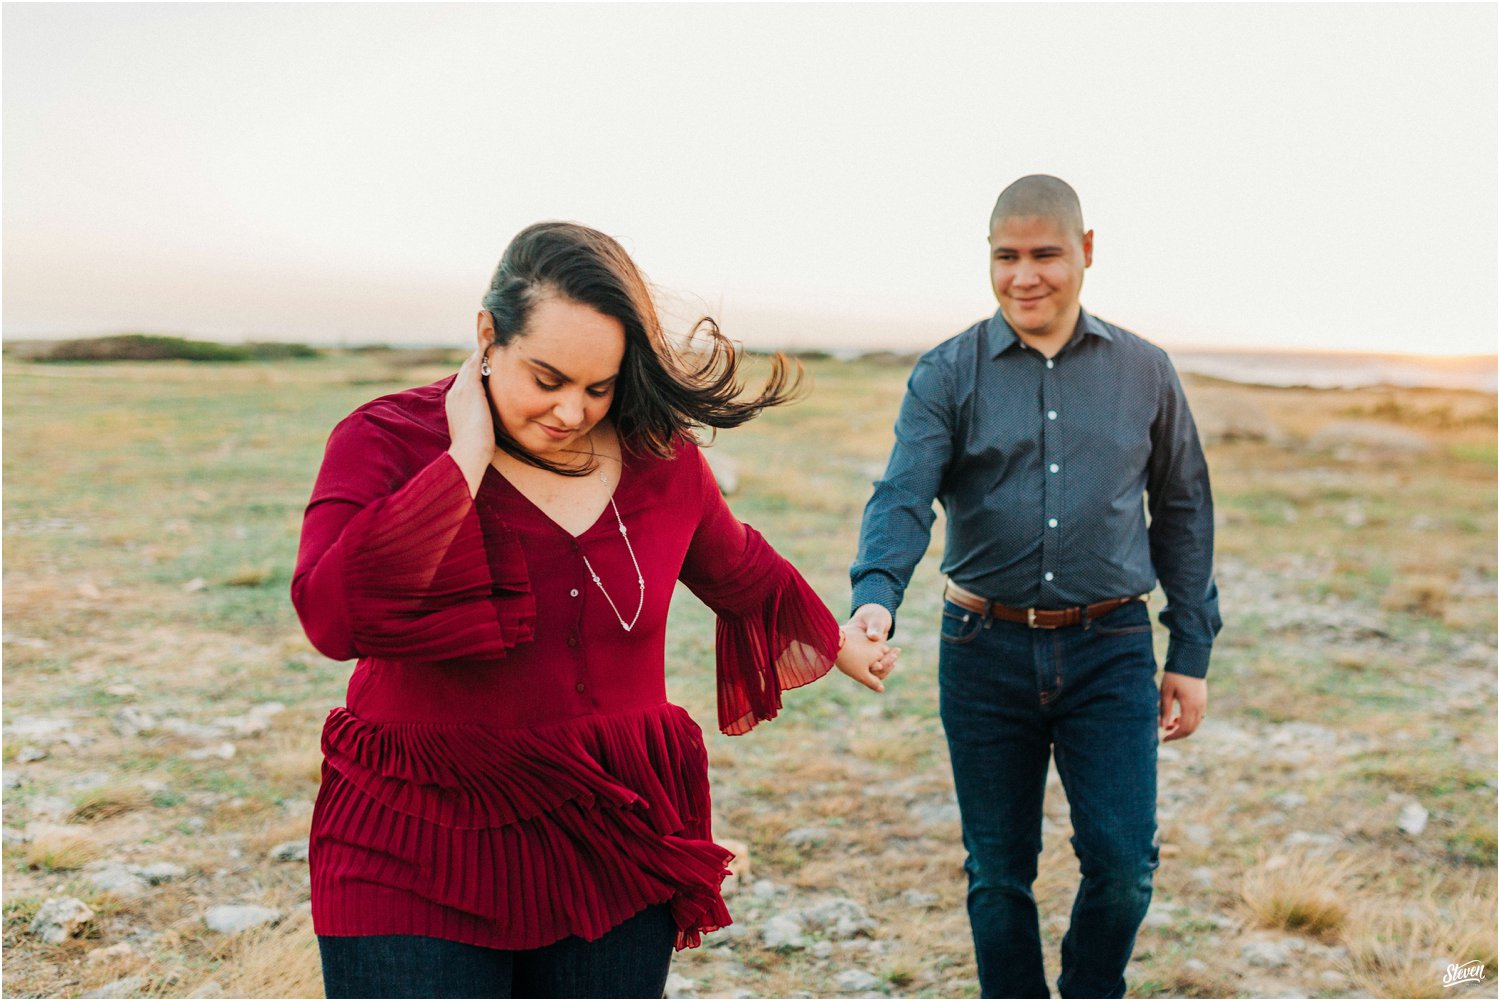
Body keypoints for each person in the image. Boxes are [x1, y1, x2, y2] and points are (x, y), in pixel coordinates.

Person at [292, 221, 898, 999]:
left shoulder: (660, 456)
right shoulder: (383, 439)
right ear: (487, 334)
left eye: (598, 386)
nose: (572, 411)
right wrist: (463, 459)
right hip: (417, 834)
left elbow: (737, 561)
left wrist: (838, 641)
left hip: (612, 832)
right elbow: (328, 615)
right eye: (546, 378)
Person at [847, 175, 1220, 998]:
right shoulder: (947, 372)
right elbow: (904, 494)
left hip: (1112, 648)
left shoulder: (1146, 371)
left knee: (1124, 866)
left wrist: (1189, 648)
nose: (1025, 276)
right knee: (998, 873)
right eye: (1006, 256)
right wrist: (876, 594)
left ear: (1086, 251)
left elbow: (1185, 507)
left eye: (1045, 253)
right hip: (982, 652)